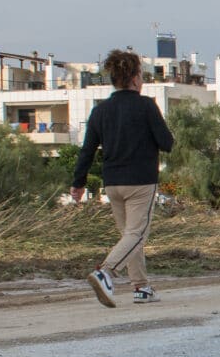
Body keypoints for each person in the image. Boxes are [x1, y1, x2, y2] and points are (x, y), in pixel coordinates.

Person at [70, 48, 174, 307]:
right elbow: (167, 143)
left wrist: (78, 183)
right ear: (136, 77)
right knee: (137, 235)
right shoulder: (146, 106)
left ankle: (142, 287)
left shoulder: (100, 111)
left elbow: (87, 150)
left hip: (112, 183)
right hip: (140, 181)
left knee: (129, 236)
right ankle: (105, 272)